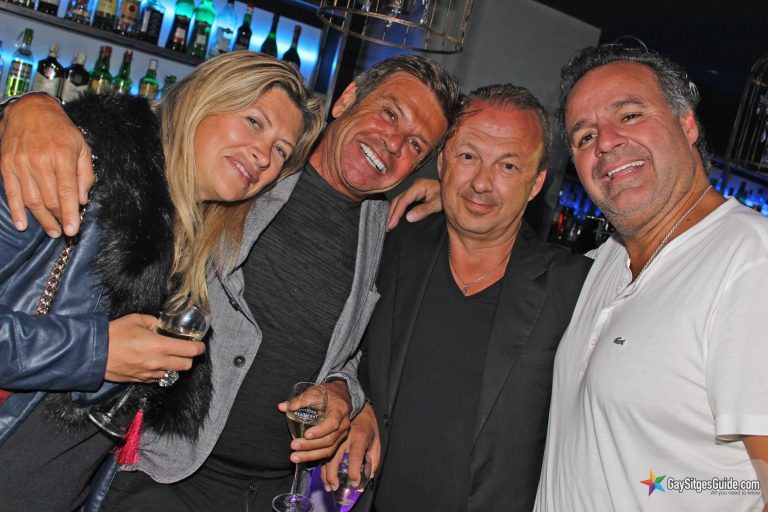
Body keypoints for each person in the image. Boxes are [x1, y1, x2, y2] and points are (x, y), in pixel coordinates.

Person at [0, 54, 460, 510]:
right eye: (389, 114)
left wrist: (349, 395)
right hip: (158, 478)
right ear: (348, 98)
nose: (393, 144)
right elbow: (138, 139)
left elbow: (361, 349)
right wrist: (28, 106)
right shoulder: (131, 175)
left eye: (415, 144)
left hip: (260, 490)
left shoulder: (394, 232)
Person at [0, 51, 323, 512]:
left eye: (280, 152)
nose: (263, 155)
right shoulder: (74, 171)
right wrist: (97, 351)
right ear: (201, 100)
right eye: (254, 121)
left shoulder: (194, 250)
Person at [534, 44, 768, 511]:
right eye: (584, 136)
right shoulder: (605, 261)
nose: (605, 142)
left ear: (687, 124)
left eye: (630, 115)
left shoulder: (749, 261)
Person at [336, 84, 590, 511]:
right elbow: (340, 352)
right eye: (468, 156)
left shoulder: (575, 288)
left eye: (508, 165)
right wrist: (355, 403)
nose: (481, 183)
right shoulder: (390, 244)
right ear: (442, 161)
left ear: (535, 183)